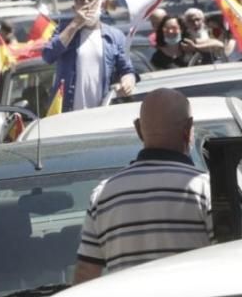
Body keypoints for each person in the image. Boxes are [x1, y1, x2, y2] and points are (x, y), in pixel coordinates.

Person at [74, 89, 211, 282]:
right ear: (188, 129)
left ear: (138, 129)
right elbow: (234, 258)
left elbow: (86, 273)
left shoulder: (103, 196)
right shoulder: (206, 189)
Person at [42, 0, 137, 112]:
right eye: (80, 0)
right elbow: (48, 55)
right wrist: (75, 24)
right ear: (74, 7)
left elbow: (127, 70)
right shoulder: (64, 29)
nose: (86, 3)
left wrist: (128, 82)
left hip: (102, 112)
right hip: (68, 113)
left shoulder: (115, 36)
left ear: (100, 4)